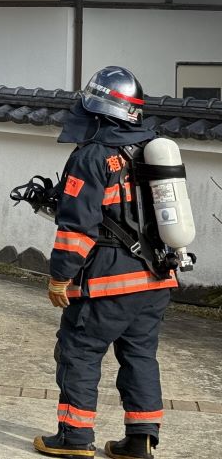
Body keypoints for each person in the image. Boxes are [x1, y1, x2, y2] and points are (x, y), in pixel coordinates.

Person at [34, 66, 177, 459]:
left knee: (78, 352)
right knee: (140, 357)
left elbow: (76, 229)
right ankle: (140, 441)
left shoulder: (93, 156)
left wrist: (59, 278)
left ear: (95, 109)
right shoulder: (152, 148)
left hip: (108, 284)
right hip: (157, 280)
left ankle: (74, 438)